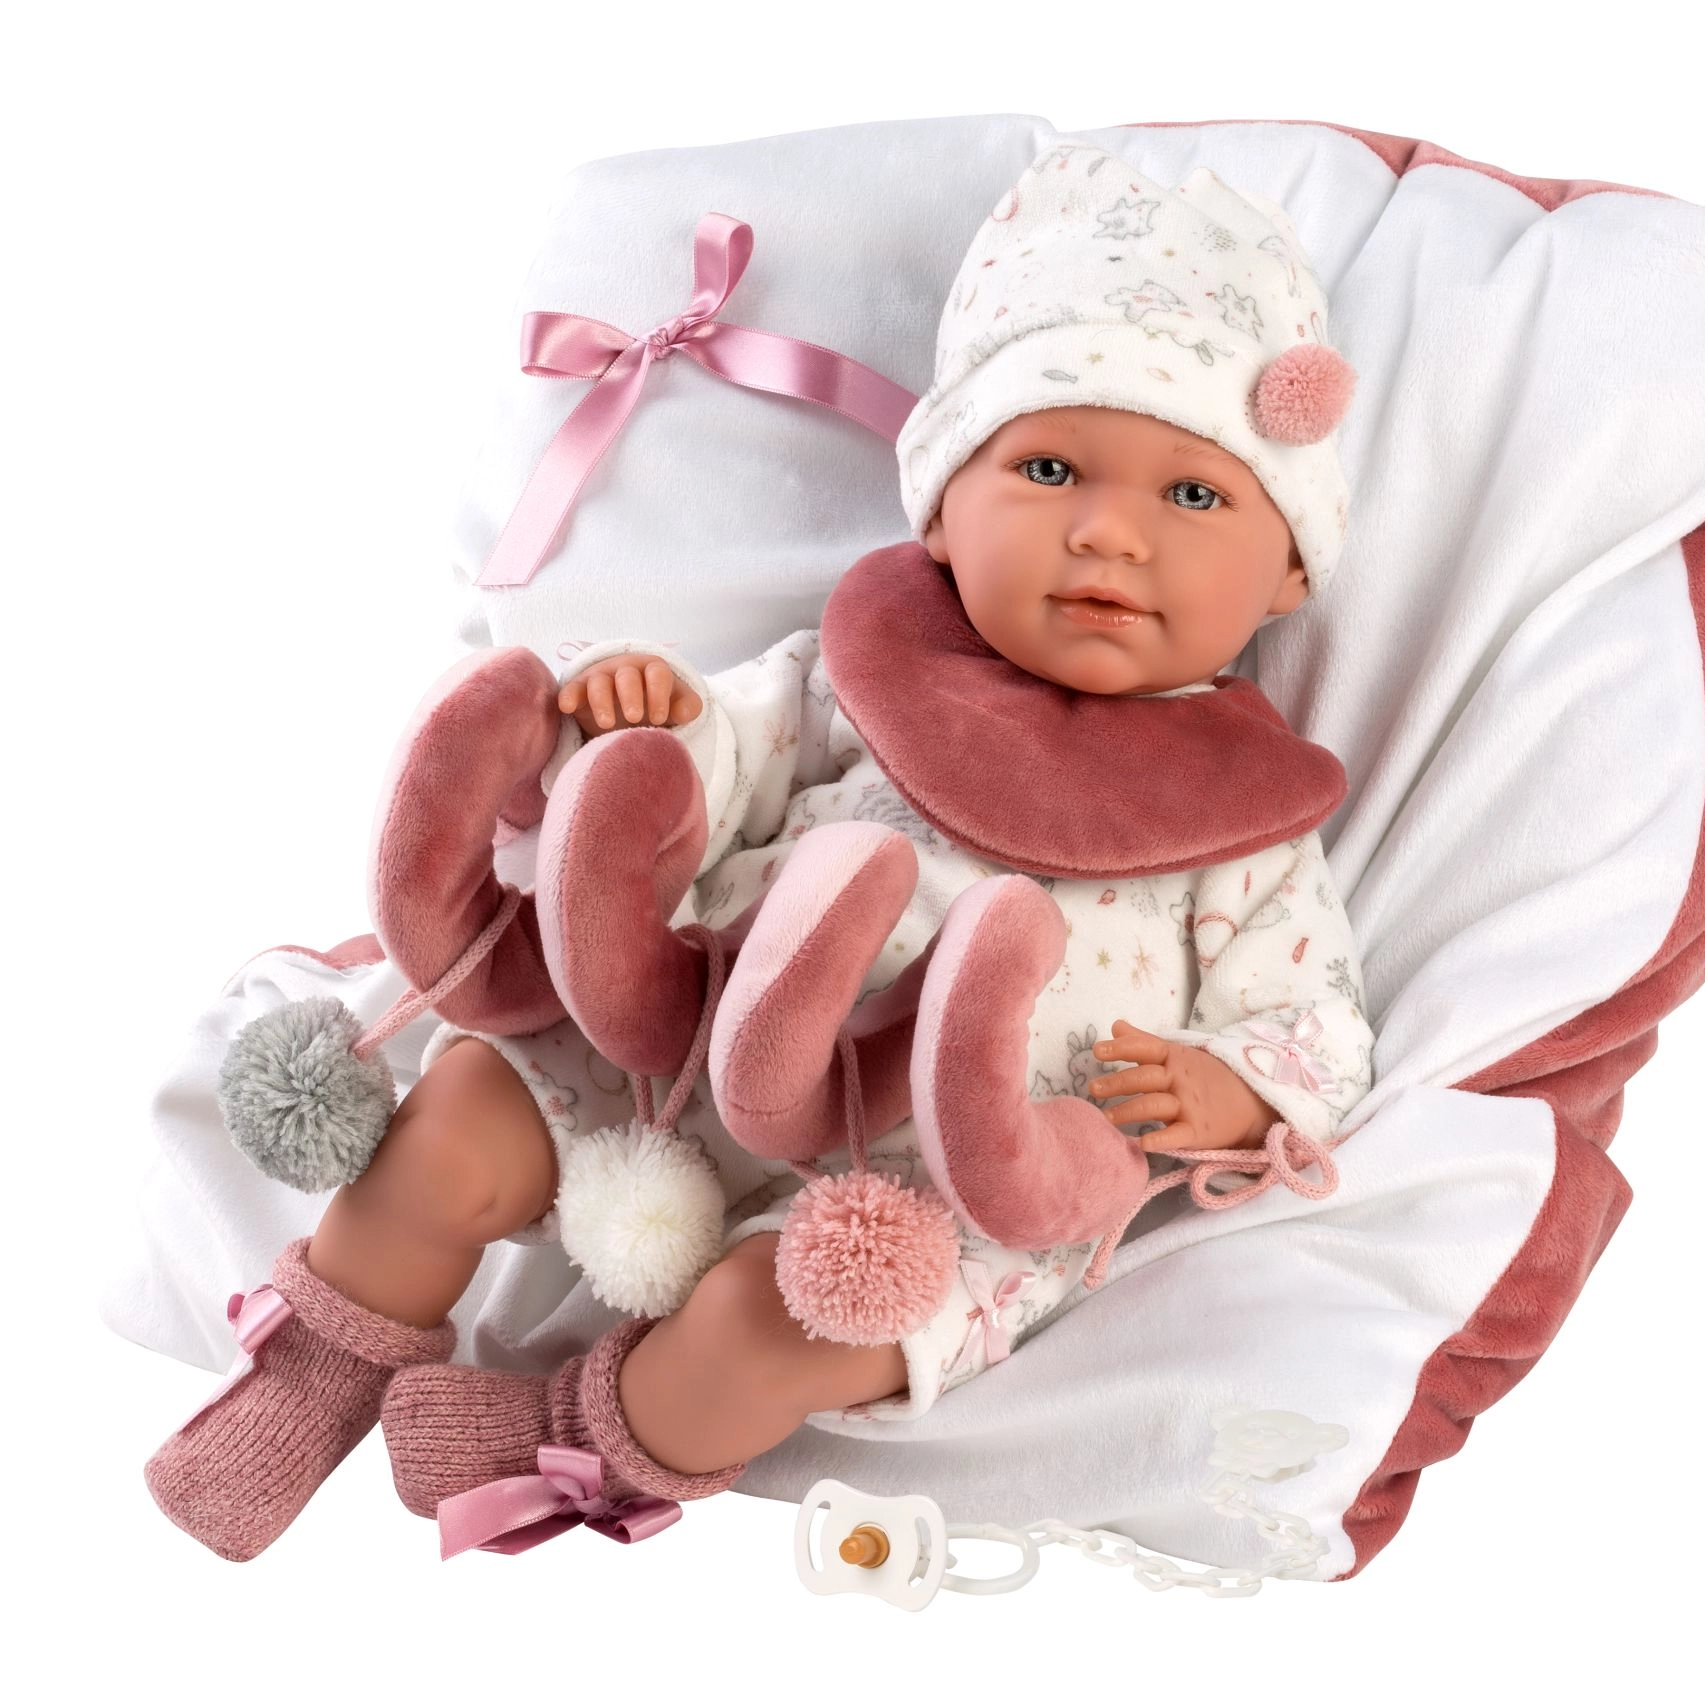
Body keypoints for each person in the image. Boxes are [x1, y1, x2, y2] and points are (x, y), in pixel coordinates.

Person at [144, 141, 1373, 1561]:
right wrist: (646, 718)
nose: (1109, 532)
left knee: (770, 1331)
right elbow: (719, 767)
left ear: (1290, 570)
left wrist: (1231, 1089)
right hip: (686, 1049)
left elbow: (1318, 1025)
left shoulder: (1241, 824)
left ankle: (564, 1437)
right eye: (1047, 468)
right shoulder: (862, 678)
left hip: (933, 1185)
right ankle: (314, 1369)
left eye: (1195, 497)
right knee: (462, 1111)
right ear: (943, 508)